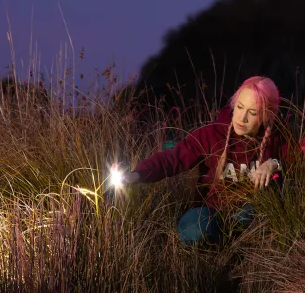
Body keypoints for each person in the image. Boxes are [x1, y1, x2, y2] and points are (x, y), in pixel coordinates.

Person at [115, 76, 293, 246]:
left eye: (252, 112)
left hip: (249, 214)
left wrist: (274, 164)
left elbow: (297, 164)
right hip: (212, 214)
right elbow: (172, 159)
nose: (242, 117)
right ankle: (225, 243)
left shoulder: (278, 139)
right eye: (239, 107)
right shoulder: (211, 134)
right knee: (193, 228)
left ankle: (242, 243)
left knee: (255, 212)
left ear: (266, 116)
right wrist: (137, 174)